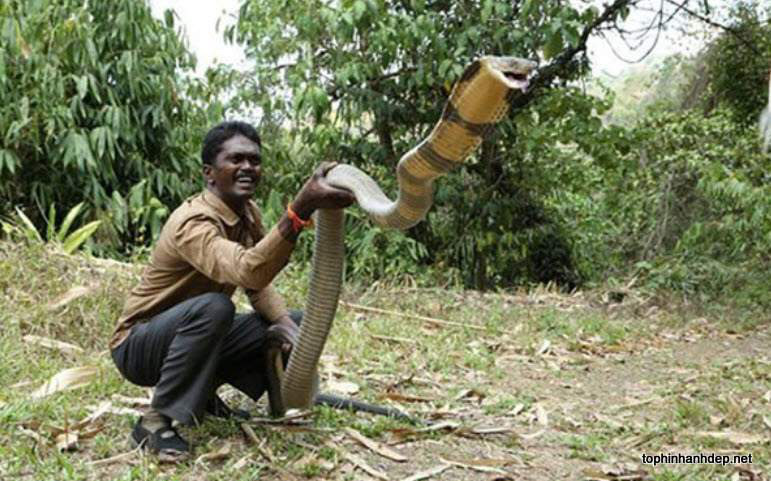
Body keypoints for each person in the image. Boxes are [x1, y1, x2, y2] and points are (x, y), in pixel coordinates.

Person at [109, 120, 355, 459]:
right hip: (139, 346)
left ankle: (234, 400)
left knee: (288, 321)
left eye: (254, 160)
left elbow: (259, 286)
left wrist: (282, 321)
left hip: (188, 335)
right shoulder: (193, 222)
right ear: (210, 172)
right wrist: (299, 210)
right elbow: (248, 270)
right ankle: (154, 423)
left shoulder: (247, 213)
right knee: (214, 308)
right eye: (235, 160)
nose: (248, 168)